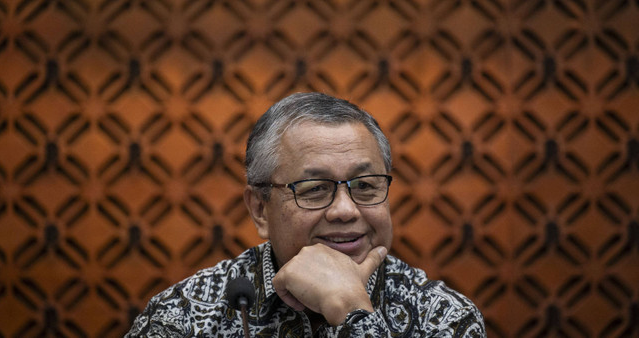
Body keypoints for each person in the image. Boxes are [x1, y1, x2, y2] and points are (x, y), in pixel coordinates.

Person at [126, 92, 486, 337]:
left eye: (365, 186)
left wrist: (352, 312)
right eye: (314, 189)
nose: (346, 210)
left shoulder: (443, 318)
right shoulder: (184, 317)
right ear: (260, 209)